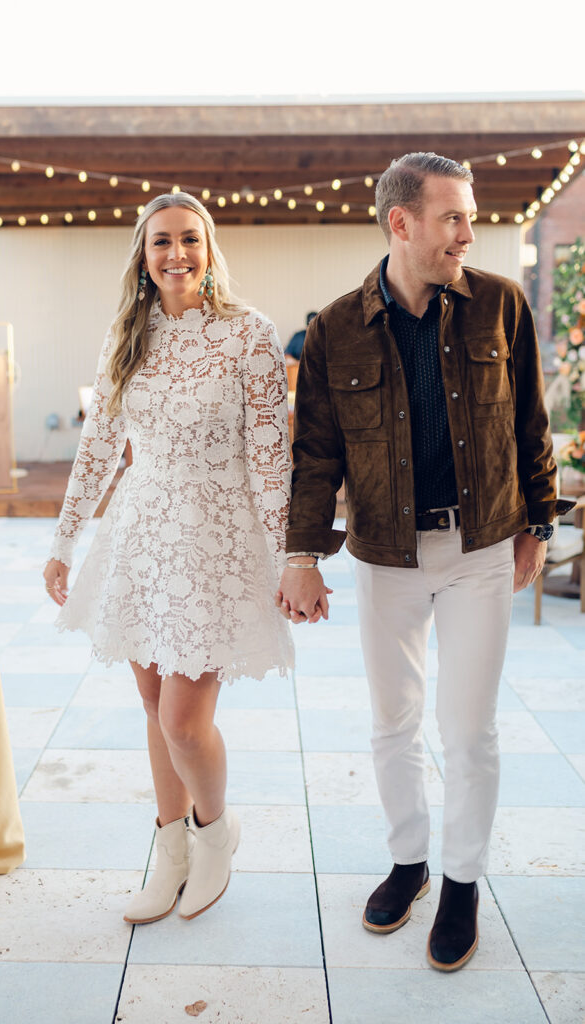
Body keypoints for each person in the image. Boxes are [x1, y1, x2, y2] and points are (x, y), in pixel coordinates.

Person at [276, 152, 573, 971]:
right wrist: (300, 554)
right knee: (393, 721)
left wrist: (538, 527)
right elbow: (315, 455)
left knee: (467, 730)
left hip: (481, 547)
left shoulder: (501, 307)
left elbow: (531, 430)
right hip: (385, 555)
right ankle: (407, 863)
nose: (467, 234)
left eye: (468, 217)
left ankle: (461, 880)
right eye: (452, 218)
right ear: (400, 223)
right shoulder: (336, 327)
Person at [44, 192, 294, 924]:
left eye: (189, 240)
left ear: (208, 249)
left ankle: (214, 833)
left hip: (215, 538)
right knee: (154, 710)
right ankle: (168, 849)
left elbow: (270, 458)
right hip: (141, 534)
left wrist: (289, 558)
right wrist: (63, 541)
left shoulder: (249, 334)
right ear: (143, 255)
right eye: (161, 242)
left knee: (184, 719)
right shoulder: (127, 335)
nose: (176, 254)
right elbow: (97, 449)